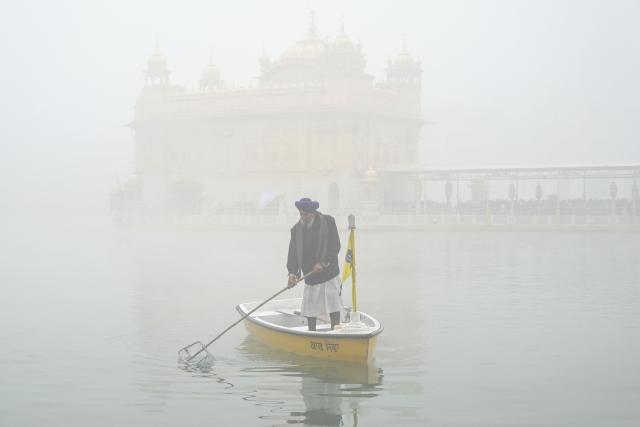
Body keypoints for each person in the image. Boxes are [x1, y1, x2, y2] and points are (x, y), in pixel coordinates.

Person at [287, 197, 343, 331]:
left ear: (313, 213)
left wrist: (322, 263)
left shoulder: (328, 222)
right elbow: (292, 254)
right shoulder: (296, 230)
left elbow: (335, 246)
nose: (303, 217)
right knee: (310, 307)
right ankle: (312, 332)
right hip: (310, 274)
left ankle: (335, 329)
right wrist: (292, 273)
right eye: (301, 214)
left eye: (305, 214)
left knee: (333, 303)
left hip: (328, 272)